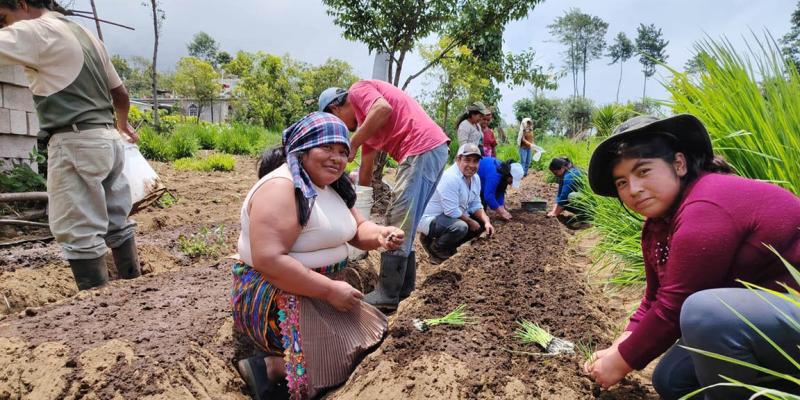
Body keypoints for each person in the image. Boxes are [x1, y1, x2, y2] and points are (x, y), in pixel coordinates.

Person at [582, 114, 800, 399]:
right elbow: (654, 297)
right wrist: (620, 345)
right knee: (672, 380)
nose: (633, 189)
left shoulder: (706, 204)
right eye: (622, 182)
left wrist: (619, 362)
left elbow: (674, 308)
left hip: (791, 314)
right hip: (775, 322)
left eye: (643, 171)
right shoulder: (658, 226)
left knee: (704, 312)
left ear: (679, 164)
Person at [232, 112, 405, 400]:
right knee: (333, 362)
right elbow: (269, 260)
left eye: (342, 152)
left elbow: (357, 229)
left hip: (322, 291)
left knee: (371, 339)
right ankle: (269, 368)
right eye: (327, 148)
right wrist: (328, 290)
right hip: (280, 294)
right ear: (303, 149)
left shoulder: (331, 186)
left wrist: (380, 235)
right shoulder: (281, 188)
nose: (336, 158)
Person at [0, 0, 140, 290]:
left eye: (4, 18)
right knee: (116, 220)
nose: (4, 26)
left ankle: (97, 307)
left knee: (79, 231)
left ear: (22, 4)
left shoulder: (35, 31)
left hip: (75, 141)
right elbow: (121, 94)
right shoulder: (84, 34)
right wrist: (123, 124)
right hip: (109, 141)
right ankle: (136, 291)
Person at [319, 80, 449, 311]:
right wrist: (355, 202)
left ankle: (388, 293)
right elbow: (366, 171)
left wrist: (352, 144)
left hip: (421, 147)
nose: (343, 129)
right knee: (406, 221)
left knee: (398, 217)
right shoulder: (368, 128)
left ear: (335, 108)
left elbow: (383, 108)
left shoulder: (358, 90)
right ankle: (404, 289)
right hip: (431, 149)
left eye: (336, 122)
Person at [417, 143, 495, 264]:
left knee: (480, 223)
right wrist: (470, 221)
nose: (472, 165)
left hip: (447, 218)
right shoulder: (450, 177)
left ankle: (448, 245)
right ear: (458, 159)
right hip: (431, 218)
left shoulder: (475, 178)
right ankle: (435, 248)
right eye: (467, 160)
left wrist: (487, 222)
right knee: (461, 227)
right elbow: (451, 211)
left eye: (475, 161)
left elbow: (476, 204)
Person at [477, 157, 523, 221]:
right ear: (509, 175)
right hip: (477, 178)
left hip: (485, 178)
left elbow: (500, 191)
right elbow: (488, 196)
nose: (511, 183)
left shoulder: (504, 173)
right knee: (481, 207)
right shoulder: (494, 175)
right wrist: (501, 211)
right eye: (512, 180)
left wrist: (501, 206)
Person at [546, 157, 587, 227]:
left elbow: (564, 196)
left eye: (556, 173)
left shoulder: (570, 176)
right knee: (564, 203)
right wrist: (553, 211)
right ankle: (582, 215)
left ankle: (585, 221)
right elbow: (560, 194)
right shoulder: (564, 174)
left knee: (572, 196)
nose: (555, 175)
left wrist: (555, 213)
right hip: (584, 198)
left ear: (562, 168)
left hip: (592, 202)